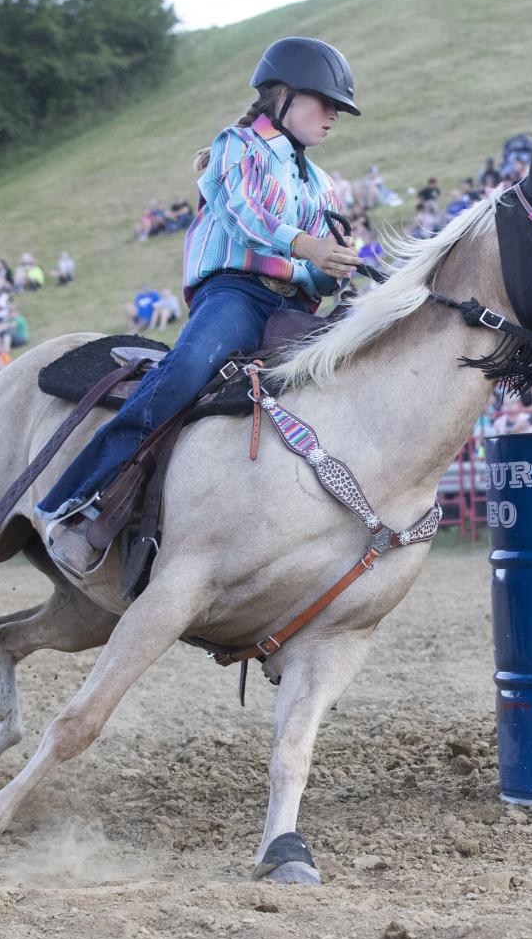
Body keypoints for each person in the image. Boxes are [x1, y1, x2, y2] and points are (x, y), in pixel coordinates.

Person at [36, 38, 362, 574]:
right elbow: (242, 216)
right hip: (236, 293)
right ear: (281, 96)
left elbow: (318, 274)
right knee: (186, 370)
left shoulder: (322, 184)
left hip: (295, 309)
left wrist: (334, 268)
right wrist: (307, 248)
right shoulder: (237, 145)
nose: (332, 117)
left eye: (338, 109)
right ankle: (73, 501)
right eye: (324, 102)